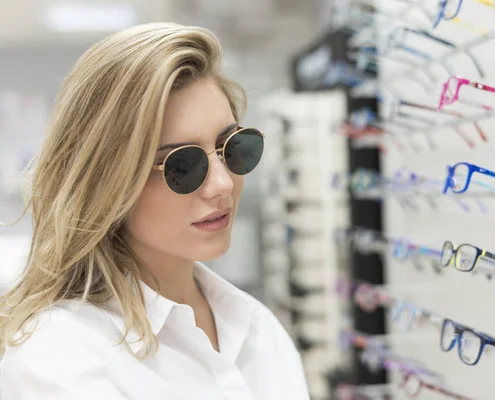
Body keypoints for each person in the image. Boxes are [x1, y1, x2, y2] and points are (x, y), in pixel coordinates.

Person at [0, 22, 310, 400]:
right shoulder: (61, 359)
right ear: (107, 182)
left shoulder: (258, 329)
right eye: (183, 166)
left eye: (231, 147)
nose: (224, 185)